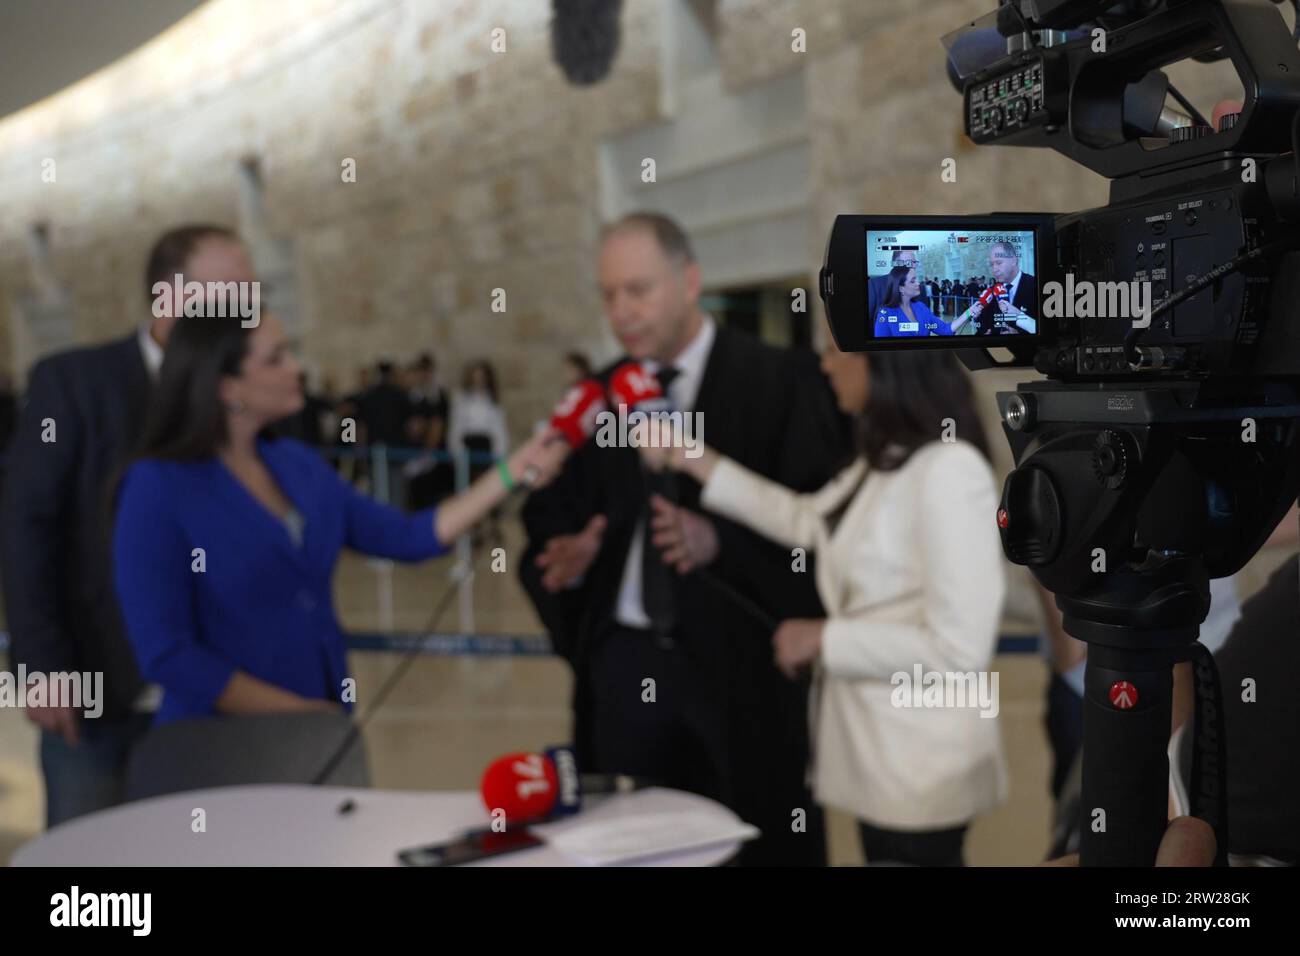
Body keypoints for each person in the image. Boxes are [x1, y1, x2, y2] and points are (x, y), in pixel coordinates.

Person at [519, 211, 849, 865]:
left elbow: (821, 528)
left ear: (690, 281)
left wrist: (719, 542)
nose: (621, 312)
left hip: (742, 669)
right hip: (624, 671)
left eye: (638, 290)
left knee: (755, 843)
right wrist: (573, 558)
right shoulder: (598, 397)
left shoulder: (781, 382)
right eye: (608, 294)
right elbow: (547, 521)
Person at [643, 347, 1008, 866]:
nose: (825, 365)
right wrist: (691, 457)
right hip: (883, 763)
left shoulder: (950, 469)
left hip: (921, 770)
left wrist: (822, 639)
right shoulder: (887, 460)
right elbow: (805, 518)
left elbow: (960, 647)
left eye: (839, 350)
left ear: (887, 362)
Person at [111, 312, 566, 726]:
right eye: (276, 359)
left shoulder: (296, 464)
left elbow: (407, 536)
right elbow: (168, 653)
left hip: (320, 730)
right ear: (227, 387)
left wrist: (513, 470)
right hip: (222, 749)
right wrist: (299, 714)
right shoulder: (157, 487)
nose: (297, 368)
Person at [1, 224, 253, 826]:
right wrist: (40, 668)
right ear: (168, 299)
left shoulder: (244, 391)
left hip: (216, 693)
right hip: (100, 685)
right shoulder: (74, 383)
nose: (247, 310)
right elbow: (26, 523)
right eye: (231, 291)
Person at [874, 265, 974, 337]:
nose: (918, 283)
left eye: (916, 279)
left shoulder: (920, 307)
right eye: (912, 281)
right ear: (900, 288)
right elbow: (881, 350)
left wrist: (970, 312)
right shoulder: (885, 314)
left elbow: (945, 329)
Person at [968, 241, 1036, 335]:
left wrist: (1020, 336)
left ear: (1013, 261)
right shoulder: (990, 292)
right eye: (992, 264)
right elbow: (981, 325)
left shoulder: (1035, 285)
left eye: (999, 263)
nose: (994, 269)